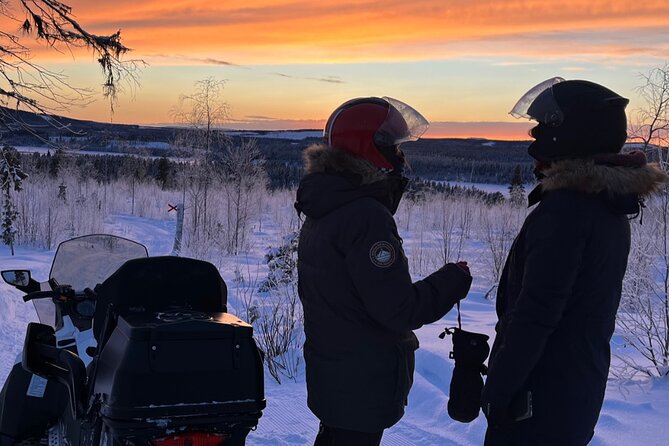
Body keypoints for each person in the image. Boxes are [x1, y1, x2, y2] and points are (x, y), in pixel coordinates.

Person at [481, 78, 669, 445]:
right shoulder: (606, 204)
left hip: (539, 400)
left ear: (571, 134)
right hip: (575, 392)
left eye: (545, 126)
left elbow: (536, 315)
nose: (535, 136)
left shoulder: (566, 212)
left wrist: (499, 391)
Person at [295, 96, 472, 446]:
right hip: (362, 382)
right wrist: (452, 281)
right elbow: (398, 309)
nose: (400, 158)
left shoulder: (328, 205)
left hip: (335, 376)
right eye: (393, 147)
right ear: (370, 148)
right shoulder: (365, 216)